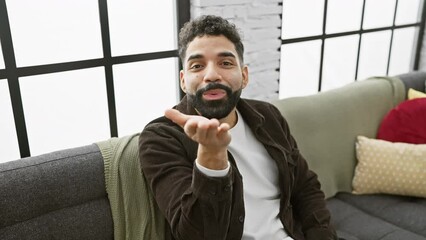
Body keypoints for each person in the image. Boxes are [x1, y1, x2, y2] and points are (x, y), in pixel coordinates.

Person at [139, 15, 338, 240]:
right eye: (197, 65)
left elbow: (306, 188)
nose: (212, 75)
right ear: (184, 81)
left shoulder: (269, 116)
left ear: (244, 76)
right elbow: (197, 234)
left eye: (225, 63)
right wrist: (211, 157)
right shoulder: (160, 138)